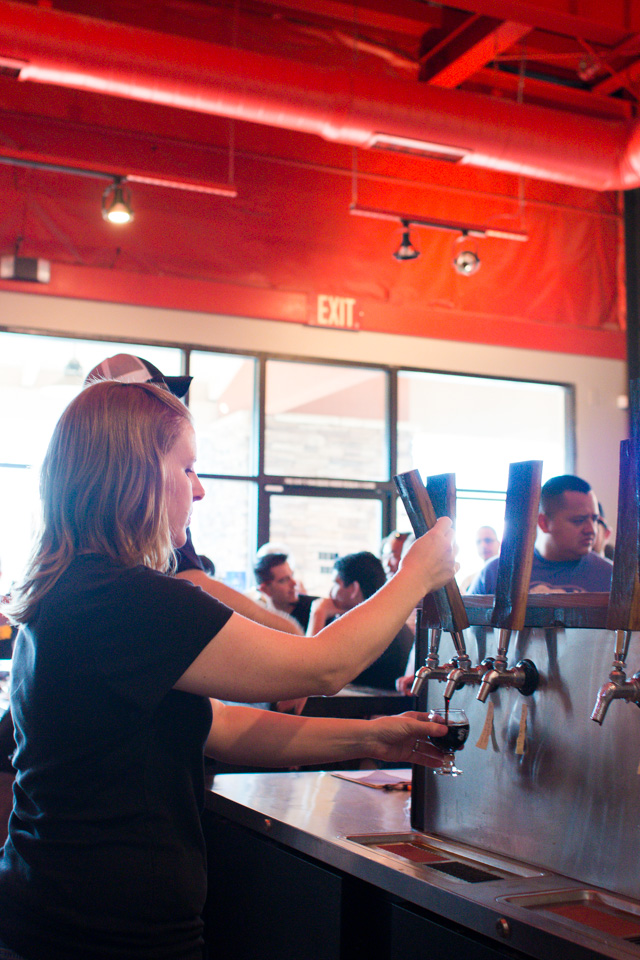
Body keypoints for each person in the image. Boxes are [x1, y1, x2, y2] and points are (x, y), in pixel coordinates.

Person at [0, 379, 456, 960]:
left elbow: (218, 726)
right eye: (187, 468)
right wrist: (415, 575)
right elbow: (319, 668)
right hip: (102, 931)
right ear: (137, 472)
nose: (200, 490)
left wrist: (375, 736)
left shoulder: (78, 590)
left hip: (59, 911)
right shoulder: (126, 599)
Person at [84, 354, 303, 636]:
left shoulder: (80, 561)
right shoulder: (128, 585)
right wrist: (286, 631)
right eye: (158, 400)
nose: (198, 491)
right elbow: (193, 582)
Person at [468, 474, 613, 595]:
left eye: (594, 519)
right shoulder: (496, 573)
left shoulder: (610, 576)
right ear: (543, 522)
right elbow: (470, 629)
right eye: (578, 520)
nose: (591, 530)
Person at [307, 551, 414, 690]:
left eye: (336, 583)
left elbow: (310, 673)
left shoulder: (366, 629)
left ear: (354, 589)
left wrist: (318, 614)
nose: (330, 593)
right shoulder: (387, 621)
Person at [253, 552, 316, 631]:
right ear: (265, 589)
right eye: (284, 580)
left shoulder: (315, 608)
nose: (294, 583)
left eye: (292, 576)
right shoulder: (259, 620)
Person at [459, 525, 501, 592]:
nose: (483, 546)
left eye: (488, 540)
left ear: (498, 544)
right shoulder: (468, 581)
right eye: (478, 542)